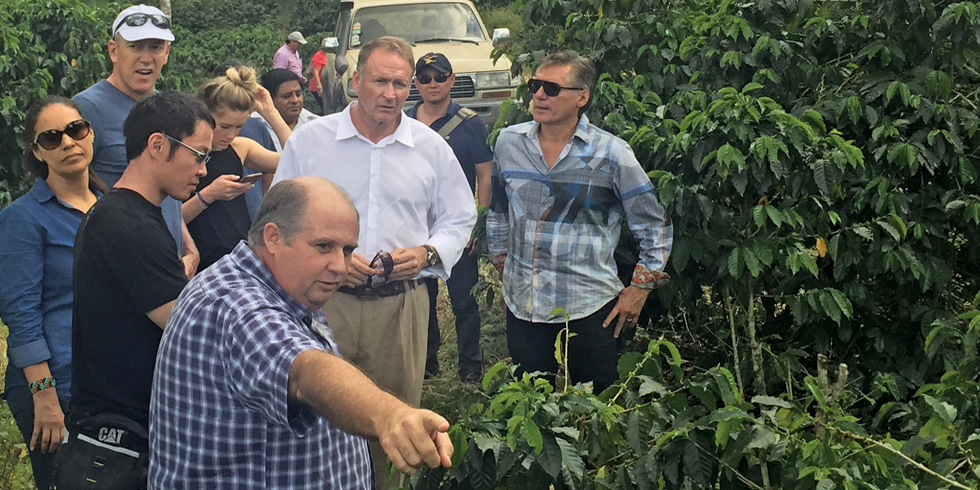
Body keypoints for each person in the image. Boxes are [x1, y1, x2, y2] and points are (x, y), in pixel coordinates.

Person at [149, 177, 454, 488]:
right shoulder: (236, 306)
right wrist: (389, 415)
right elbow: (304, 371)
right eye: (324, 246)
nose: (339, 265)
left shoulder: (283, 284)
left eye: (347, 250)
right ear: (273, 238)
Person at [272, 36, 476, 489]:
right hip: (323, 306)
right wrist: (330, 259)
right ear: (356, 81)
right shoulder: (312, 142)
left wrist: (426, 253)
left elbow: (460, 215)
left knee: (396, 421)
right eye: (380, 81)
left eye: (401, 84)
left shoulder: (429, 147)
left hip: (400, 307)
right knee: (316, 415)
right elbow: (278, 215)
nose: (390, 93)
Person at [486, 50, 673, 394]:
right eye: (535, 85)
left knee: (597, 410)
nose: (539, 95)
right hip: (524, 308)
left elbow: (653, 225)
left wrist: (639, 289)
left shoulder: (612, 154)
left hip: (590, 310)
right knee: (530, 404)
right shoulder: (509, 143)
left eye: (552, 89)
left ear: (582, 97)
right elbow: (498, 212)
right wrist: (507, 271)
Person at [67, 92, 214, 488]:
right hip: (121, 435)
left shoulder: (122, 213)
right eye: (199, 155)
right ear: (158, 145)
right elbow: (189, 329)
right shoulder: (130, 227)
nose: (203, 170)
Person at [0, 96, 107, 490]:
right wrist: (44, 396)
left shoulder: (110, 208)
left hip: (105, 381)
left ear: (91, 134)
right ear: (37, 152)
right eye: (51, 137)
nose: (67, 142)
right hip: (54, 385)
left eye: (76, 130)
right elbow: (21, 314)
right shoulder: (22, 220)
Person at [73, 4, 200, 278]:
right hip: (115, 267)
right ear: (113, 51)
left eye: (155, 46)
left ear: (166, 52)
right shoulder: (85, 110)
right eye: (135, 47)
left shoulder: (169, 108)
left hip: (165, 261)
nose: (146, 57)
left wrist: (188, 247)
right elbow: (65, 192)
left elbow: (167, 188)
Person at [406, 52, 492, 384]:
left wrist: (477, 225)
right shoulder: (404, 120)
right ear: (416, 84)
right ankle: (427, 364)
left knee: (464, 301)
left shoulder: (470, 123)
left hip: (456, 226)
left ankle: (470, 368)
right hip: (415, 227)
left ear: (452, 80)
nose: (432, 84)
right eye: (425, 78)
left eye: (439, 77)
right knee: (420, 299)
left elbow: (485, 176)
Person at [184, 65, 290, 271]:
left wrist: (270, 111)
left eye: (239, 127)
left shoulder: (240, 148)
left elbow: (297, 158)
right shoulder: (183, 154)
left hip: (240, 259)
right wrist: (208, 195)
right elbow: (170, 218)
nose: (231, 134)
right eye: (224, 126)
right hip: (201, 263)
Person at [252, 68, 318, 152]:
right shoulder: (251, 125)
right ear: (269, 98)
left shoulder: (315, 123)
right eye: (287, 96)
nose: (295, 100)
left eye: (298, 94)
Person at [310, 38, 329, 114]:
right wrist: (319, 87)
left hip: (327, 85)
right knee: (325, 108)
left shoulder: (330, 54)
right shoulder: (318, 56)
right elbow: (315, 72)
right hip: (317, 86)